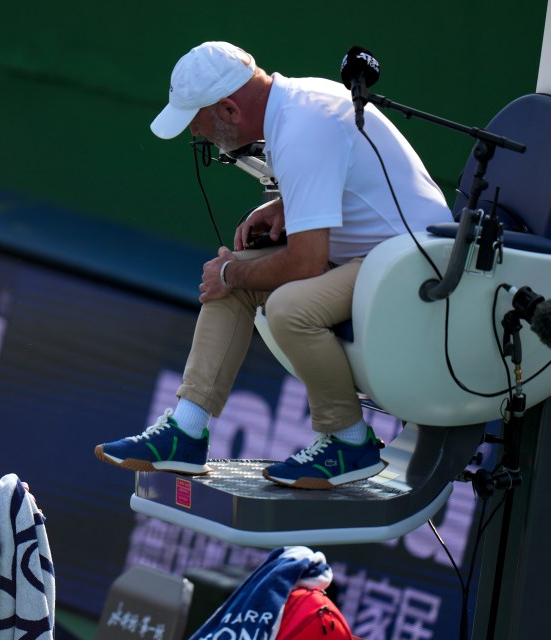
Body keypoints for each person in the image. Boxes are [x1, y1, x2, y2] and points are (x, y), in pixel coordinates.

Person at [94, 41, 450, 489]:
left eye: (196, 123)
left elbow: (306, 263)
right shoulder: (297, 103)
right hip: (381, 257)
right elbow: (345, 178)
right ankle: (185, 431)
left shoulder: (302, 126)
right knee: (236, 277)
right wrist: (287, 205)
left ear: (227, 109)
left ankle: (349, 442)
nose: (196, 135)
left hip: (412, 265)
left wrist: (230, 273)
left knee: (286, 305)